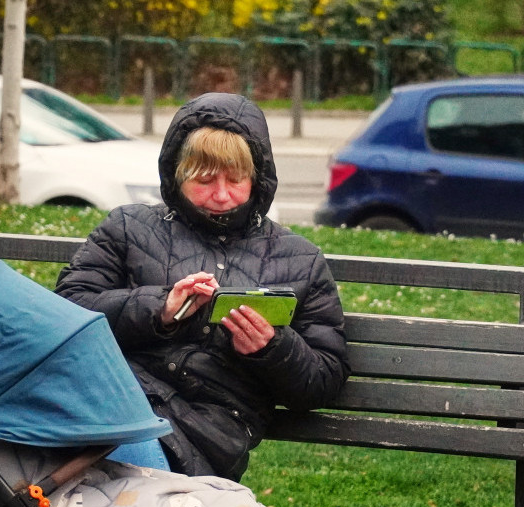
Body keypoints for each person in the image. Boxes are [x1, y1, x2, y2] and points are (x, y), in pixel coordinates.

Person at [56, 92, 349, 481]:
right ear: (178, 175)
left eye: (236, 179)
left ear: (257, 178)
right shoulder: (128, 228)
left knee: (106, 474)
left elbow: (323, 381)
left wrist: (271, 349)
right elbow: (67, 311)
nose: (222, 195)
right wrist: (159, 309)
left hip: (210, 430)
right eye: (206, 180)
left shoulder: (301, 259)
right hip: (117, 397)